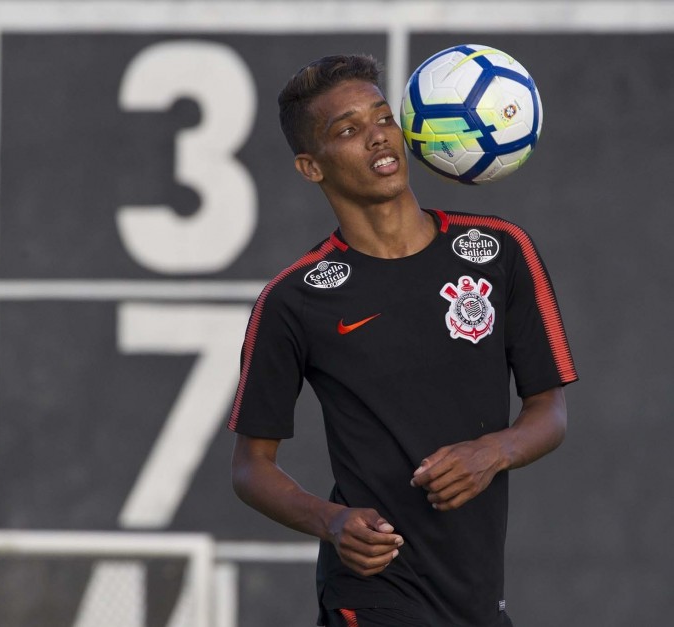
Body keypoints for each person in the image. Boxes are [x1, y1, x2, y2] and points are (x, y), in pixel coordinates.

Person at [227, 54, 577, 627]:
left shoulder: (502, 250)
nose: (376, 137)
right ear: (311, 168)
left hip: (478, 597)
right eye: (347, 129)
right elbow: (250, 466)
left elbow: (550, 411)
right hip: (373, 591)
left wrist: (493, 451)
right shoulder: (294, 299)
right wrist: (330, 520)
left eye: (382, 117)